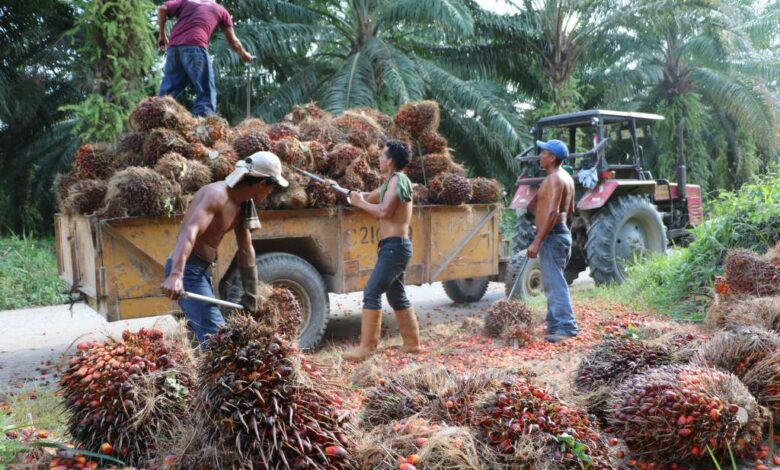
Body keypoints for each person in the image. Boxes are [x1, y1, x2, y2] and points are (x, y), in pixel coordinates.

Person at [161, 152, 287, 346]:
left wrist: (251, 294)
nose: (272, 192)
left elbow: (246, 249)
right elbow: (189, 232)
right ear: (262, 183)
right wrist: (176, 275)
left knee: (208, 339)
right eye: (272, 187)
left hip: (203, 272)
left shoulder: (243, 205)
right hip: (188, 272)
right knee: (220, 340)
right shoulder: (215, 195)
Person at [342, 140, 422, 362]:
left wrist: (359, 203)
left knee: (372, 291)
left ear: (391, 161)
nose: (378, 159)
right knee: (396, 293)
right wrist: (351, 195)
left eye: (381, 156)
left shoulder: (398, 180)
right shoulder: (390, 182)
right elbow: (368, 197)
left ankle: (367, 347)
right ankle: (412, 344)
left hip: (396, 247)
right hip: (392, 246)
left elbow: (384, 211)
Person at [156, 0, 253, 116]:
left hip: (174, 48)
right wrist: (244, 54)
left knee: (169, 89)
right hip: (195, 47)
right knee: (206, 90)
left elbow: (162, 8)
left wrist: (162, 35)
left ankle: (156, 115)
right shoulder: (220, 10)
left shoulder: (186, 2)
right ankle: (202, 124)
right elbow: (234, 42)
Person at [526, 139, 578, 343]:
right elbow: (570, 210)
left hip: (553, 235)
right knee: (552, 280)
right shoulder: (567, 178)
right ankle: (555, 324)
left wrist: (538, 240)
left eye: (544, 153)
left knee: (554, 283)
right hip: (561, 233)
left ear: (553, 158)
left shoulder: (555, 179)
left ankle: (566, 327)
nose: (540, 156)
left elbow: (554, 212)